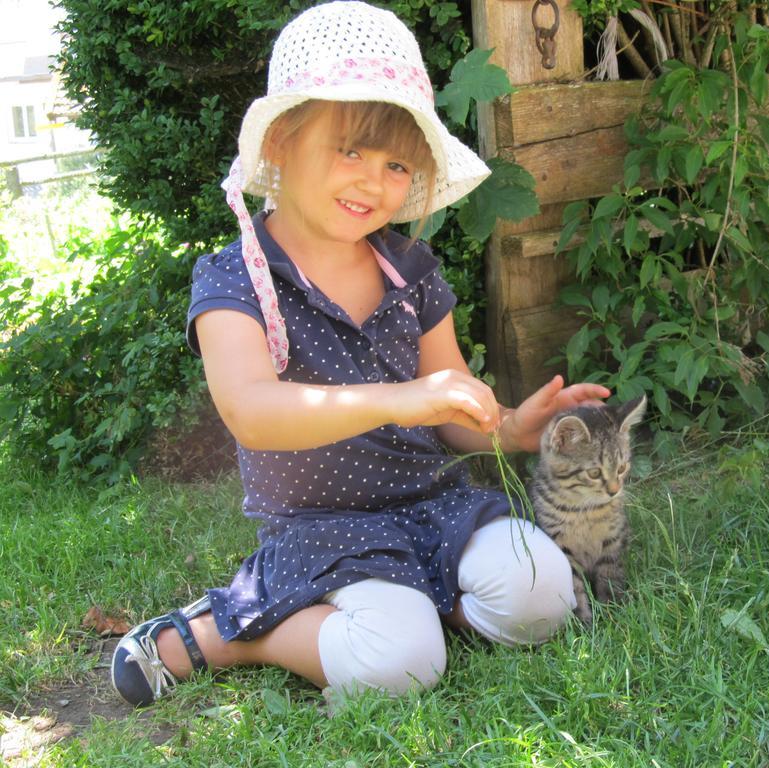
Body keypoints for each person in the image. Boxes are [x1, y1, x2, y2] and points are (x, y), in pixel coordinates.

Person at [110, 1, 609, 707]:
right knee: (397, 667)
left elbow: (454, 406)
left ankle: (419, 612)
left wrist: (510, 427)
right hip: (323, 529)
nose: (374, 181)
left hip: (433, 509)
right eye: (350, 150)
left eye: (397, 163)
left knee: (543, 593)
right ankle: (222, 633)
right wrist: (399, 397)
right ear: (280, 140)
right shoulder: (237, 279)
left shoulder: (411, 271)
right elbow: (251, 411)